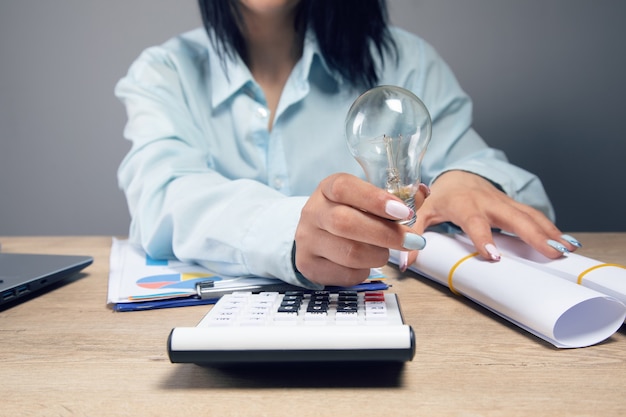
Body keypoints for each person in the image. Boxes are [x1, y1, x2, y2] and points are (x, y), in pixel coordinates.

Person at [115, 0, 580, 290]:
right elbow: (162, 193)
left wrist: (468, 179)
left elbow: (512, 195)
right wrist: (291, 230)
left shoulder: (405, 61)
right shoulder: (165, 72)